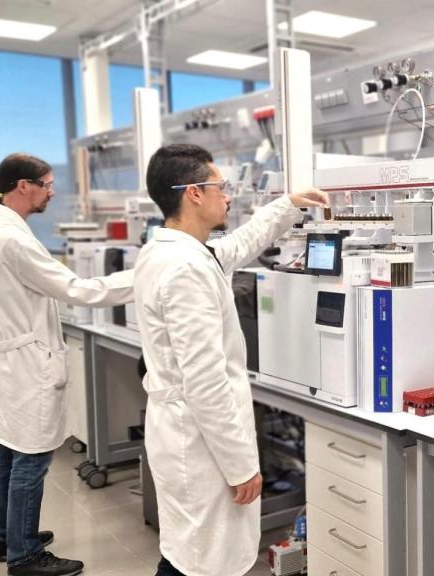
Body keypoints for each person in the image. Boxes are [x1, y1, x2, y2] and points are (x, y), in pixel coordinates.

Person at [134, 144, 328, 576]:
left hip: (183, 433)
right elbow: (205, 380)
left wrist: (287, 206)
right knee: (203, 562)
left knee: (188, 553)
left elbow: (238, 245)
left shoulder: (174, 251)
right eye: (221, 186)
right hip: (199, 444)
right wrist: (241, 466)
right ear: (194, 193)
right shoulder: (184, 268)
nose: (228, 196)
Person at [0, 153, 136, 576]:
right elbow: (76, 289)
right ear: (23, 186)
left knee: (9, 451)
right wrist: (142, 277)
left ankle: (5, 538)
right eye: (46, 183)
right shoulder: (13, 238)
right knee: (32, 459)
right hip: (25, 364)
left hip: (9, 361)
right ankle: (24, 555)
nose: (52, 191)